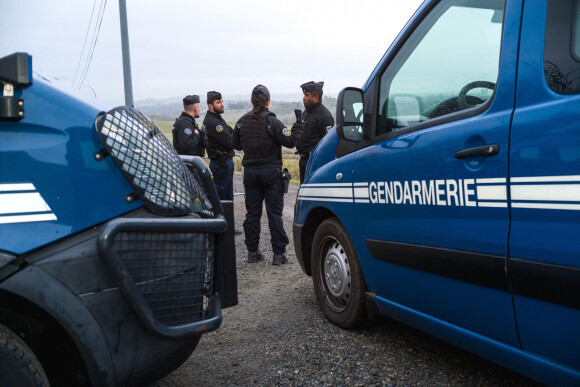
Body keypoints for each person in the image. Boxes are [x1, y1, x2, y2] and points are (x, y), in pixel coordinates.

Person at [233, 84, 302, 265]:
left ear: (252, 101)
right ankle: (278, 254)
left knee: (252, 213)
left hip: (250, 173)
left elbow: (236, 144)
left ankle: (252, 251)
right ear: (268, 102)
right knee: (274, 213)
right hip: (270, 172)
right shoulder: (271, 121)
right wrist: (298, 124)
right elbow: (291, 140)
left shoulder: (242, 121)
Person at [294, 81, 335, 183]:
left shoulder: (325, 116)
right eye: (304, 95)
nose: (304, 98)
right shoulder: (305, 113)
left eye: (307, 95)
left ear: (316, 97)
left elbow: (329, 144)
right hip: (303, 161)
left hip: (315, 162)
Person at [203, 91, 235, 201]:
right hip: (221, 163)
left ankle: (227, 218)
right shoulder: (213, 122)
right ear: (210, 105)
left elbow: (232, 132)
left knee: (228, 196)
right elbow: (230, 142)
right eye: (218, 102)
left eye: (222, 101)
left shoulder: (217, 119)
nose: (222, 104)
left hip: (225, 162)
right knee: (222, 196)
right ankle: (222, 218)